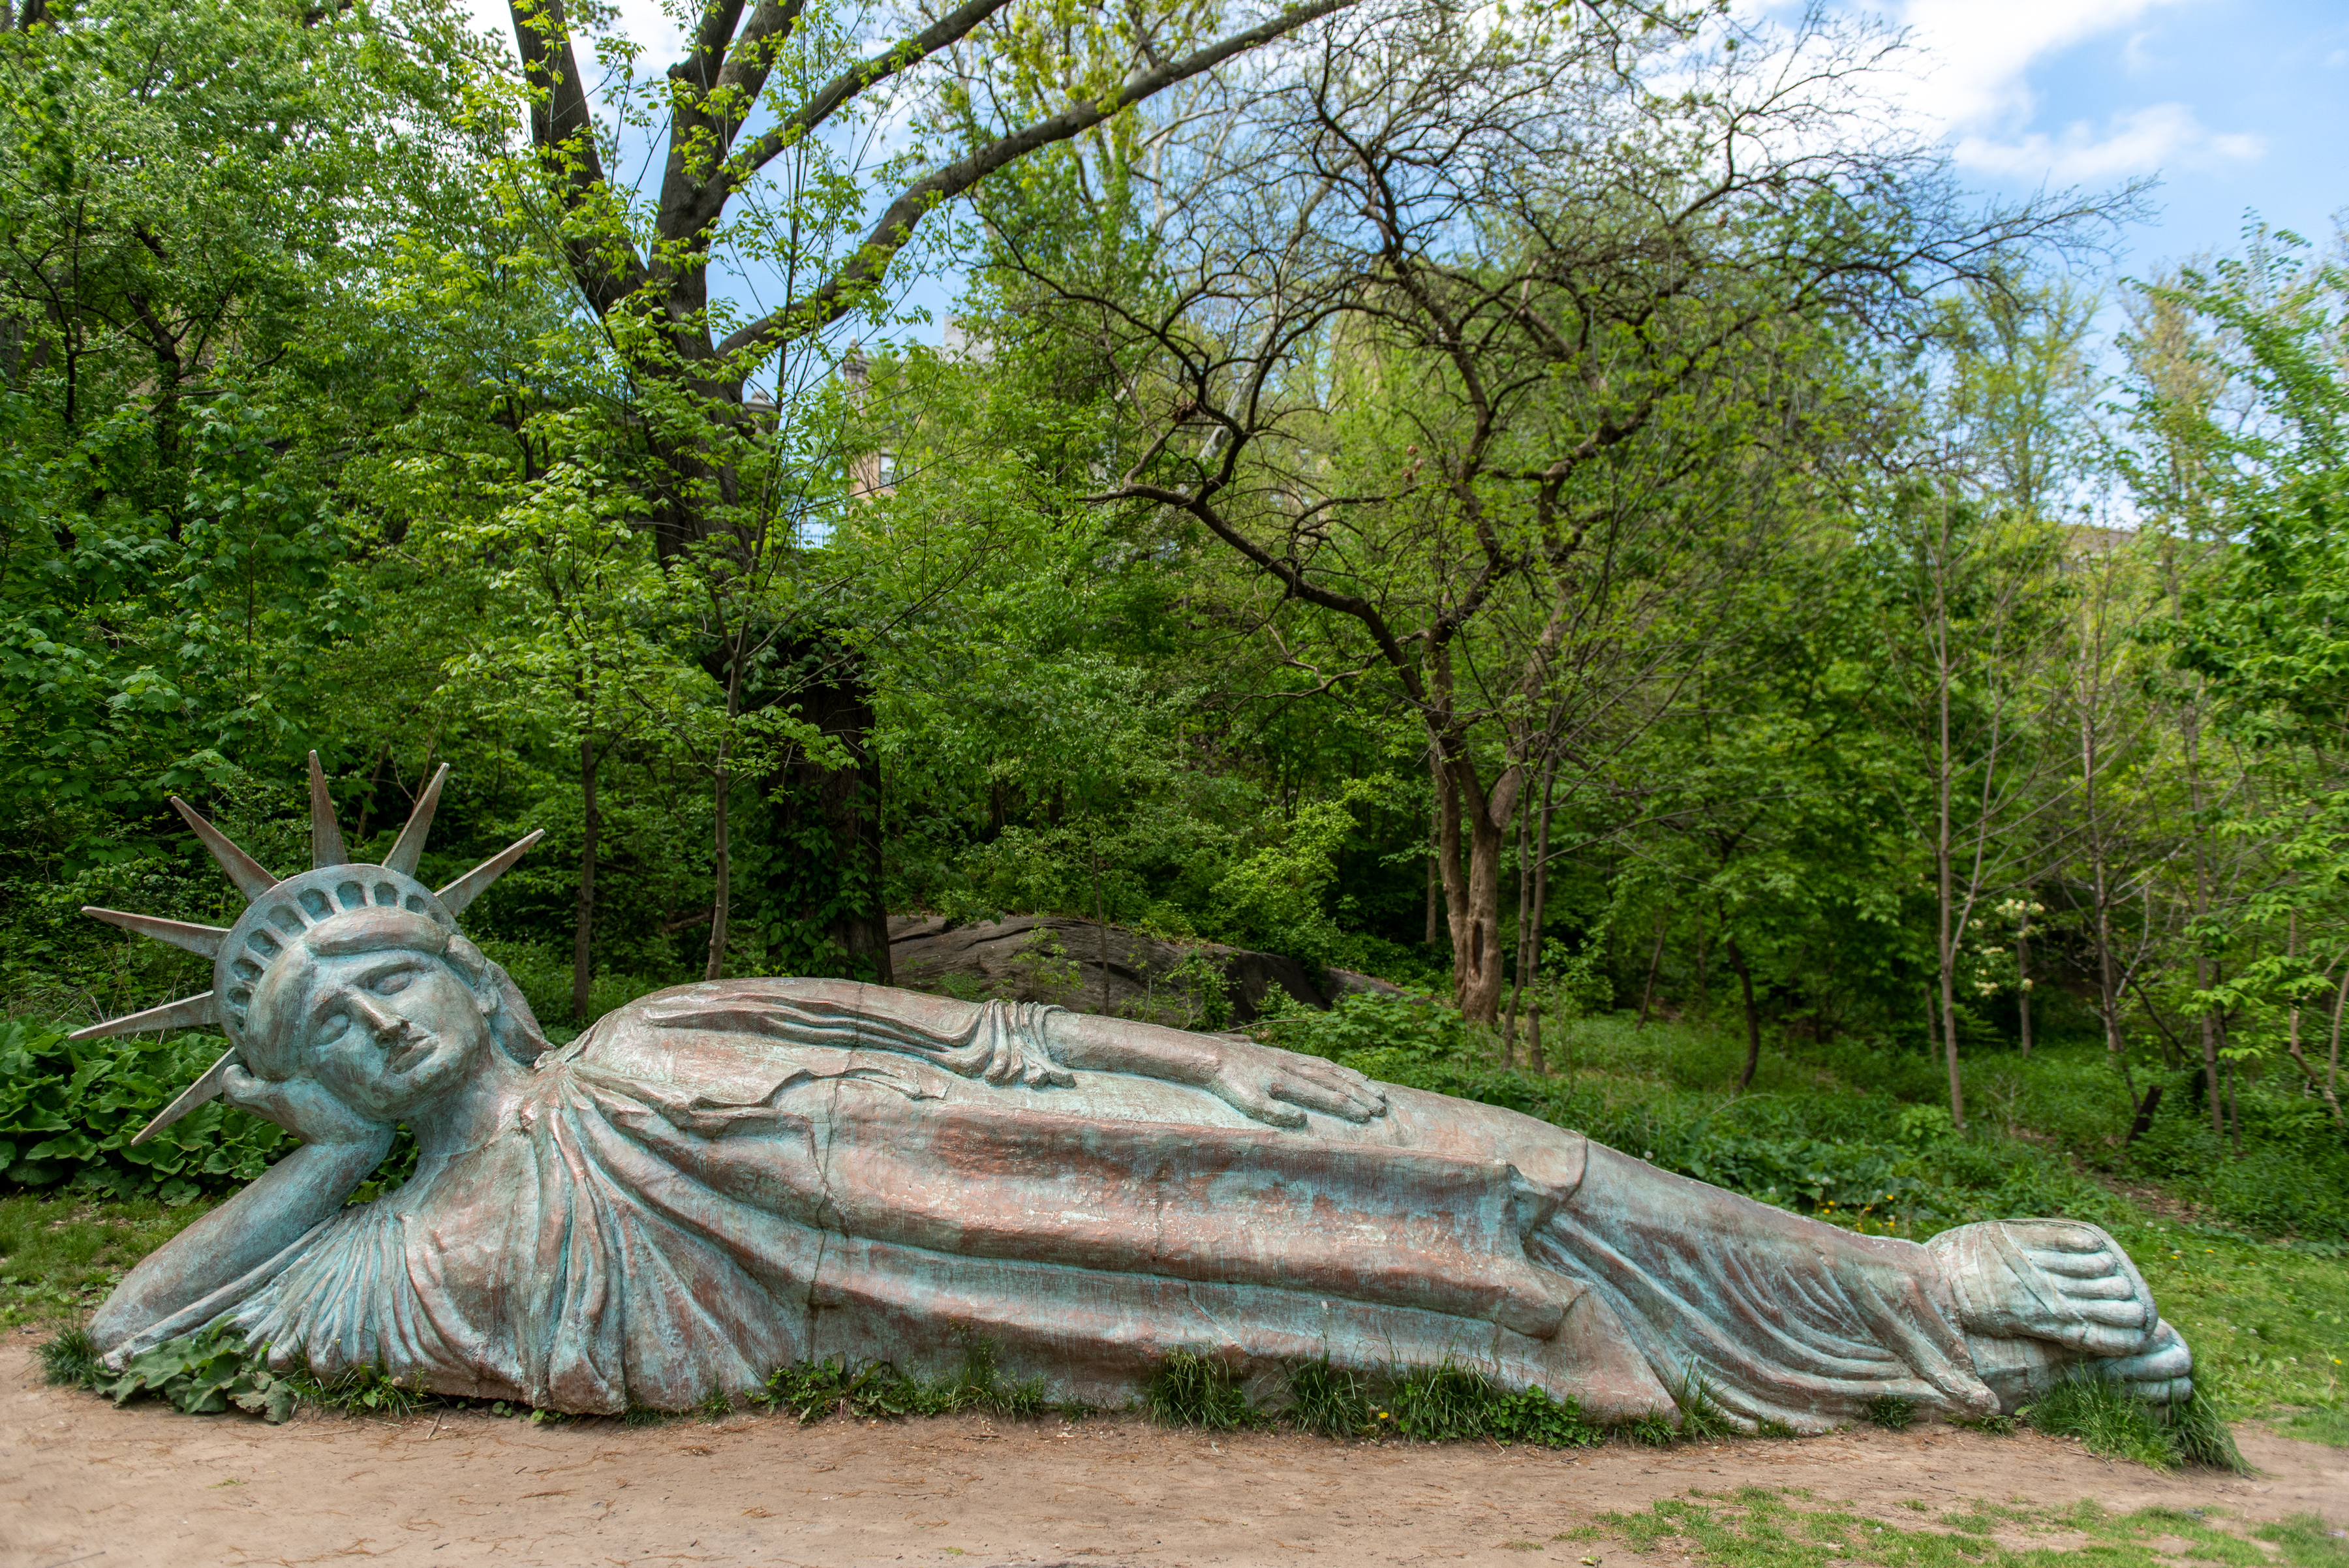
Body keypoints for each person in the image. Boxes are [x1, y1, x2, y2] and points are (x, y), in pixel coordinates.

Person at [77, 769, 2192, 1428]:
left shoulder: (668, 1031)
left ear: (482, 968)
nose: (378, 1026)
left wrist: (1243, 1064)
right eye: (326, 1032)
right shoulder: (404, 1251)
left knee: (1501, 1163)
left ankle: (1923, 1284)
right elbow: (132, 1330)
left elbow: (999, 1044)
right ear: (294, 1094)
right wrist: (338, 1150)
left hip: (1128, 1147)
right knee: (1520, 1319)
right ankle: (1920, 1347)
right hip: (1054, 1297)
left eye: (394, 976)